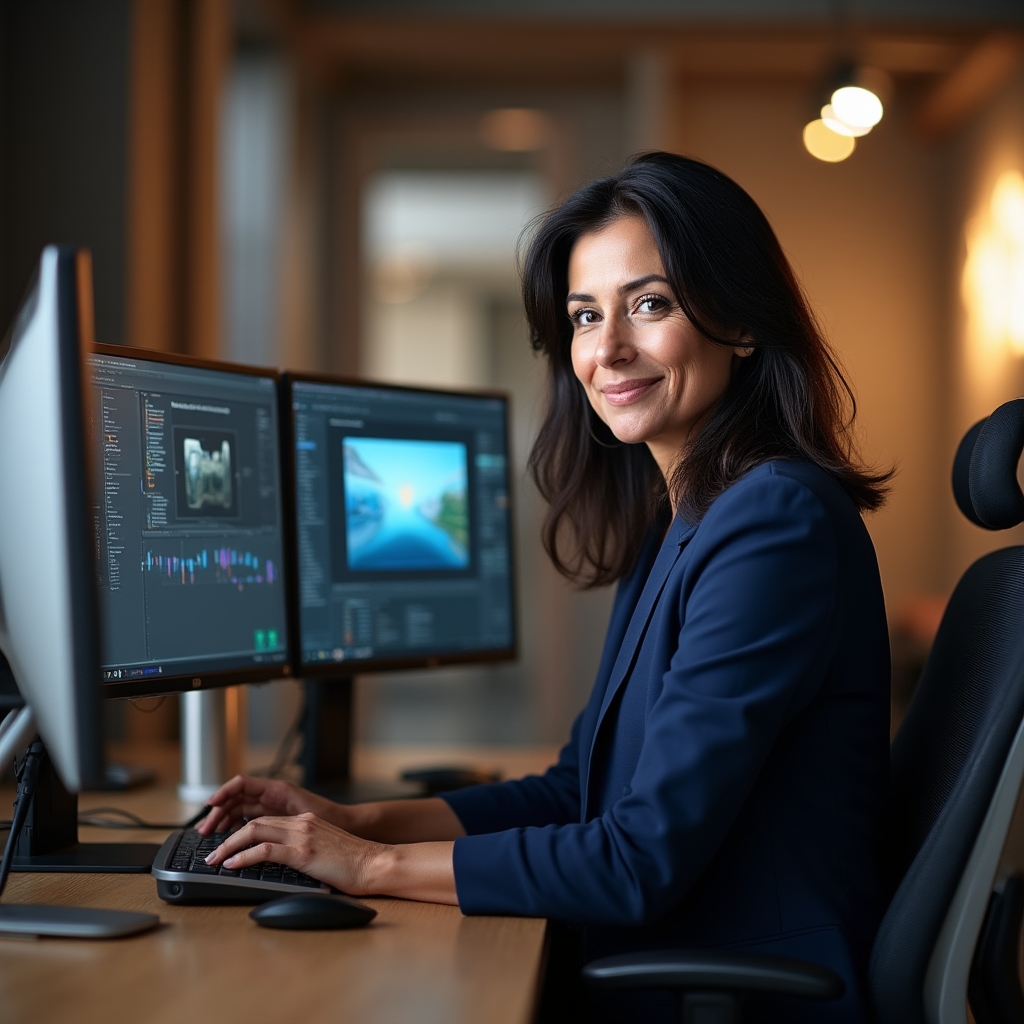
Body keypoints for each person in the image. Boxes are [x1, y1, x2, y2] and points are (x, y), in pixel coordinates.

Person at [201, 153, 891, 1023]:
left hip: (734, 988)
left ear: (742, 322)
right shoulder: (686, 519)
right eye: (584, 315)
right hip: (669, 961)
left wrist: (366, 870)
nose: (607, 350)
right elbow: (578, 791)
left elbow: (637, 858)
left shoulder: (774, 526)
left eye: (651, 304)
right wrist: (357, 823)